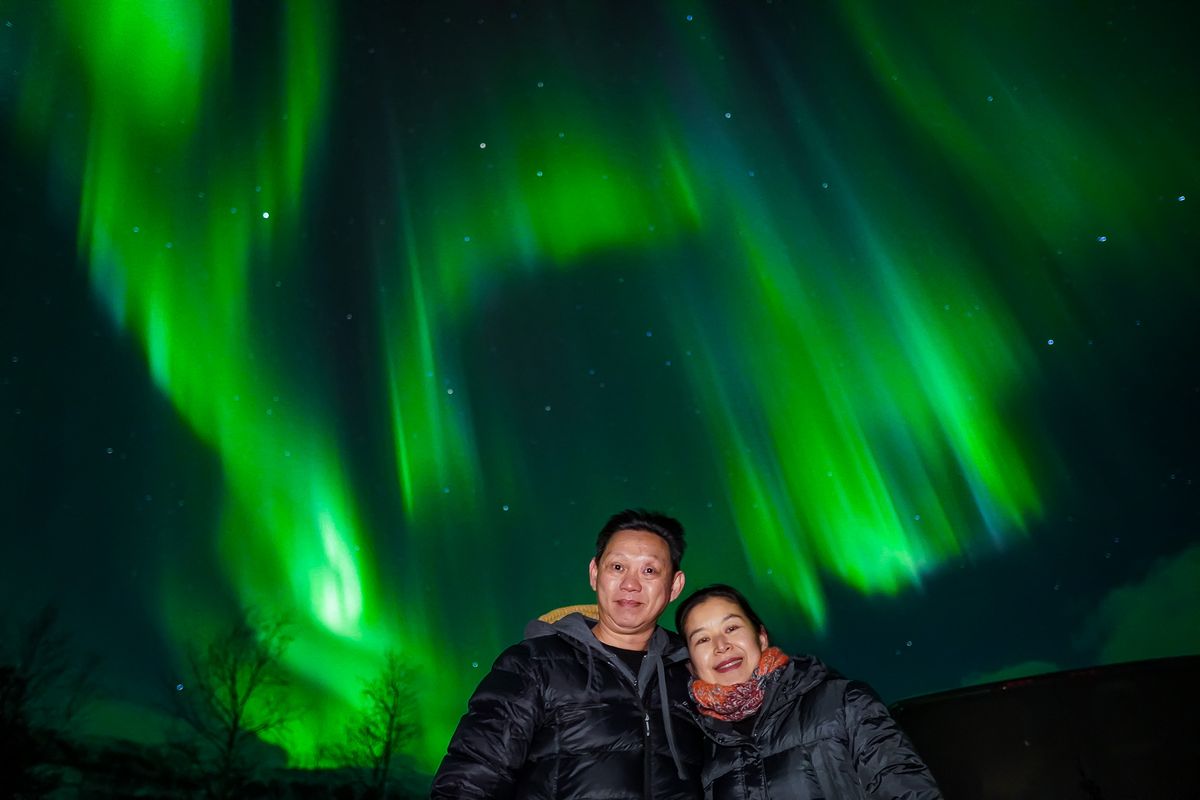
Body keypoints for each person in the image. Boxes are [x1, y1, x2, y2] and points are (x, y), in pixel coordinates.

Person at [431, 509, 704, 799]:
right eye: (617, 567)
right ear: (594, 574)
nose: (630, 584)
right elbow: (470, 780)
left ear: (674, 585)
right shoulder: (532, 665)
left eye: (649, 571)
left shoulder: (695, 674)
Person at [675, 584, 943, 799]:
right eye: (703, 639)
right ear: (691, 664)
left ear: (761, 637)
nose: (721, 645)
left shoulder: (843, 701)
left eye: (732, 628)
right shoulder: (695, 749)